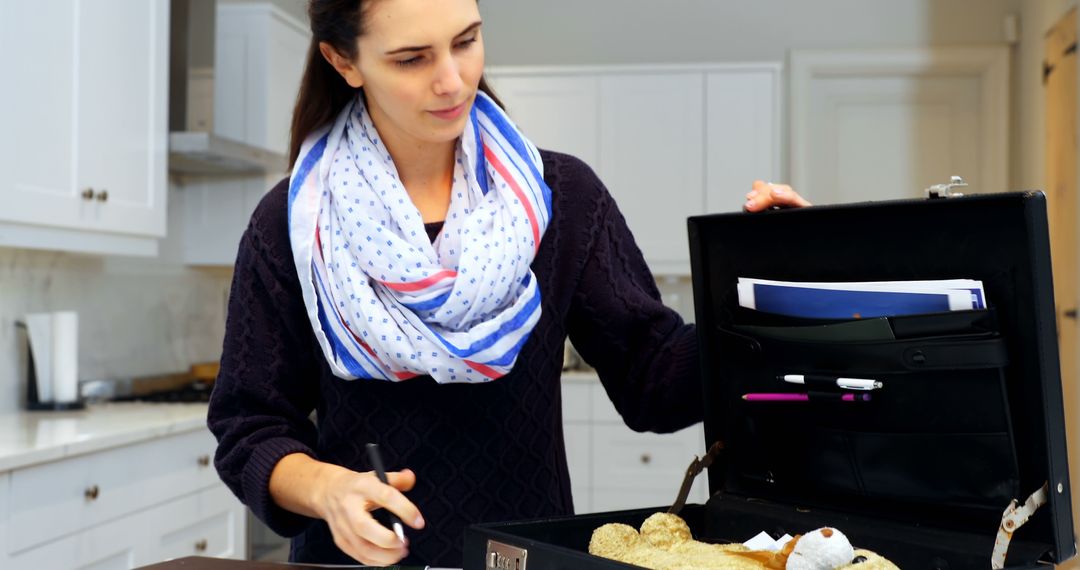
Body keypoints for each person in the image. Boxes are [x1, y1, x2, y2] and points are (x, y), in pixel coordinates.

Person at [206, 0, 810, 566]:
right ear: (344, 61)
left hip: (526, 555)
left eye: (466, 41)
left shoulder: (564, 199)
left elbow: (655, 383)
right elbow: (248, 425)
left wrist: (770, 284)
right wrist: (326, 488)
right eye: (412, 58)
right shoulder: (295, 222)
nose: (452, 79)